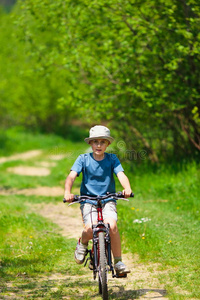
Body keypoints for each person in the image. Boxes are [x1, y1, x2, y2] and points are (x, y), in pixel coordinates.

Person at [64, 125, 132, 274]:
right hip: (88, 200)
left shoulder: (112, 159)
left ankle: (118, 262)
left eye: (102, 142)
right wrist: (68, 192)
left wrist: (127, 188)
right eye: (95, 141)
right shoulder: (83, 159)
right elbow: (72, 176)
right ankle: (82, 243)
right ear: (90, 143)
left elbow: (120, 174)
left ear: (108, 144)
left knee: (112, 226)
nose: (99, 145)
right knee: (90, 228)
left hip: (108, 199)